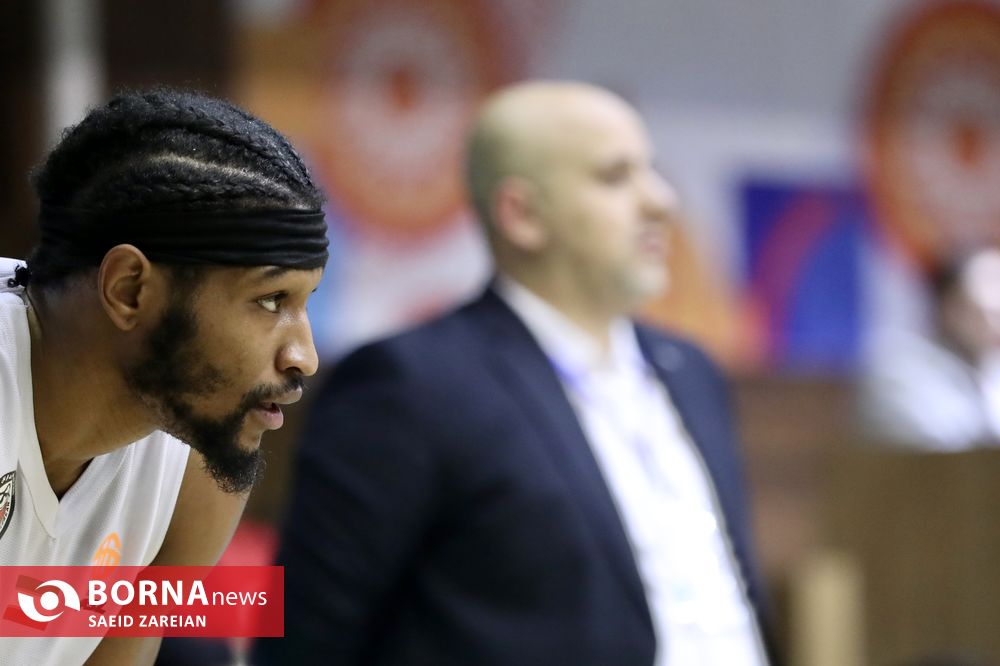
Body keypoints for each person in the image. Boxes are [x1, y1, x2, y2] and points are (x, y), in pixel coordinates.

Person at [261, 81, 773, 665]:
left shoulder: (693, 373)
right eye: (615, 176)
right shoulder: (411, 385)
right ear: (522, 214)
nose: (661, 200)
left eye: (651, 170)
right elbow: (305, 638)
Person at [0, 88, 327, 665]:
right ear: (129, 289)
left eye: (306, 302)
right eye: (271, 299)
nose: (304, 357)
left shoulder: (199, 455)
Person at [860, 246, 1000, 450]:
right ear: (948, 308)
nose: (995, 325)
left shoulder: (990, 369)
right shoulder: (899, 370)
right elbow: (938, 450)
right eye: (985, 313)